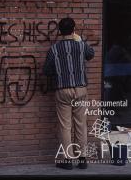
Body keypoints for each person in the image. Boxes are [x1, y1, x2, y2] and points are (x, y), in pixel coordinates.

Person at [43, 17, 94, 170]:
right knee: (81, 125)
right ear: (73, 29)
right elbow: (91, 54)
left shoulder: (54, 49)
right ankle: (83, 159)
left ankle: (67, 160)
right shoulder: (81, 45)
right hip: (81, 89)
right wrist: (79, 39)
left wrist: (58, 72)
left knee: (65, 126)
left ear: (59, 31)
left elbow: (46, 70)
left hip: (63, 90)